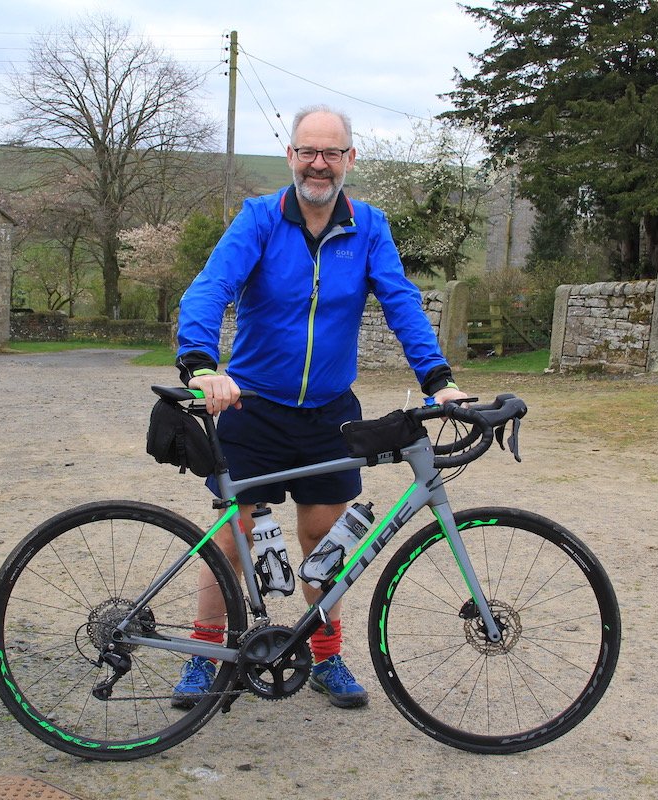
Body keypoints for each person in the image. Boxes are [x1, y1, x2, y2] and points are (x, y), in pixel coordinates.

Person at [172, 104, 466, 710]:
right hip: (252, 405)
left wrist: (439, 380)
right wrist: (202, 365)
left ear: (349, 160)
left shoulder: (369, 227)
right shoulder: (258, 219)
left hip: (330, 409)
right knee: (233, 536)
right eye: (308, 151)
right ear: (291, 156)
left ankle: (325, 654)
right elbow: (210, 287)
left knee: (324, 537)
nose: (319, 163)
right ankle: (206, 657)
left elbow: (401, 302)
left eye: (332, 152)